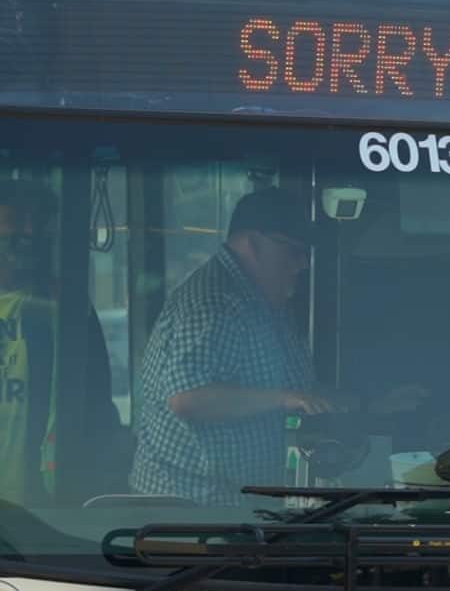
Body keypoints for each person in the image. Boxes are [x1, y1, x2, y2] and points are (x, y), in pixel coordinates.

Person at [130, 187, 336, 506]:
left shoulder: (262, 299)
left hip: (236, 504)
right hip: (190, 510)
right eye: (293, 250)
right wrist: (283, 398)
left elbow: (297, 389)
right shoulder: (216, 301)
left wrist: (359, 403)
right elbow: (189, 399)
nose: (303, 264)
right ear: (251, 243)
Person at [0, 177, 121, 506]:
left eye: (38, 221)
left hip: (46, 505)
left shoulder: (68, 307)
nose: (28, 231)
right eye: (16, 219)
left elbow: (95, 404)